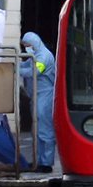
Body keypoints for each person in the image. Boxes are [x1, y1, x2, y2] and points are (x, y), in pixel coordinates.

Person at [20, 32, 56, 172]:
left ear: (34, 43)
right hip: (36, 96)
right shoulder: (35, 54)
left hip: (45, 96)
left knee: (45, 130)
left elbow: (35, 71)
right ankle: (39, 161)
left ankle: (46, 163)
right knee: (36, 130)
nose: (26, 48)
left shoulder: (44, 56)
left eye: (27, 45)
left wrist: (16, 69)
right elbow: (26, 65)